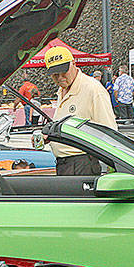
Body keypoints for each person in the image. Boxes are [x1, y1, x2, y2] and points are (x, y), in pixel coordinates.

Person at [45, 46, 115, 175]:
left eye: (63, 71)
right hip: (66, 164)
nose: (60, 77)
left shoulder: (93, 89)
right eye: (55, 74)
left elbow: (108, 131)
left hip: (82, 163)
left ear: (74, 64)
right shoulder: (62, 90)